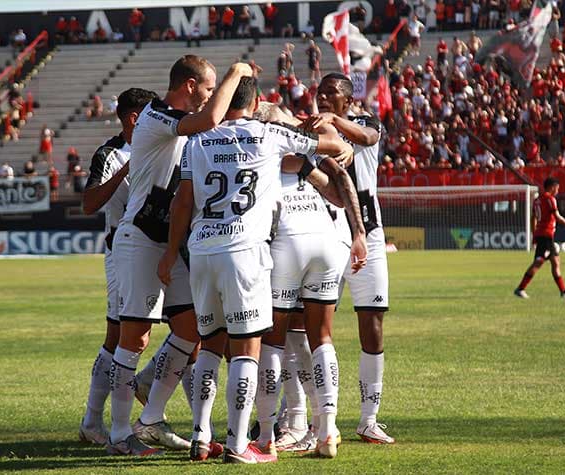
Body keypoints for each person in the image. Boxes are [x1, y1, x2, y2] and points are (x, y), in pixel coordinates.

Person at [157, 77, 356, 463]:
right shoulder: (267, 134)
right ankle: (238, 444)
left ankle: (201, 437)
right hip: (245, 251)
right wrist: (336, 141)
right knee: (249, 348)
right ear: (258, 102)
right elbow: (329, 147)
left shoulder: (197, 140)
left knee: (211, 344)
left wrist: (169, 253)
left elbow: (183, 202)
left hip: (202, 248)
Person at [106, 56, 253, 456]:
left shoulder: (175, 121)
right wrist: (236, 74)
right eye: (206, 90)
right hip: (139, 238)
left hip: (165, 244)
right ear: (190, 85)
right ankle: (119, 435)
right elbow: (208, 121)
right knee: (133, 338)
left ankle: (150, 417)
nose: (209, 98)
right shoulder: (157, 114)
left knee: (191, 330)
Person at [250, 103, 366, 458]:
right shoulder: (304, 149)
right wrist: (358, 231)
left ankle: (267, 434)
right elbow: (338, 182)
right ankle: (327, 430)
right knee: (322, 338)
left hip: (287, 242)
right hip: (325, 240)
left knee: (272, 342)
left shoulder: (258, 147)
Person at [303, 73, 394, 444]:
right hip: (322, 234)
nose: (324, 98)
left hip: (367, 234)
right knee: (309, 326)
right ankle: (312, 420)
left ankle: (369, 418)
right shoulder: (307, 128)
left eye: (332, 93)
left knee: (372, 322)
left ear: (348, 98)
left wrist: (333, 122)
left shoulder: (363, 121)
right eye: (320, 92)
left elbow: (367, 138)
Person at [78, 88, 158, 446]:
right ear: (133, 118)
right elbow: (89, 203)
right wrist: (127, 168)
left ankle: (150, 400)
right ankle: (93, 422)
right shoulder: (109, 154)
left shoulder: (159, 143)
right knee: (118, 337)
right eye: (151, 113)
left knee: (191, 330)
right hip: (121, 253)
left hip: (160, 249)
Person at [514, 177, 565, 299]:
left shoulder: (537, 200)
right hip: (546, 235)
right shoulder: (550, 199)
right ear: (552, 187)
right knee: (538, 263)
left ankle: (563, 291)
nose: (558, 191)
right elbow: (557, 217)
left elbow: (533, 217)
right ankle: (521, 288)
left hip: (543, 235)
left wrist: (534, 234)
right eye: (557, 188)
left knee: (556, 261)